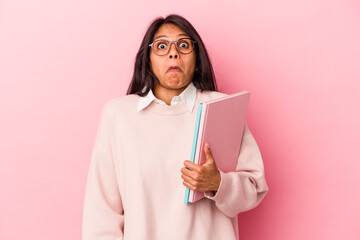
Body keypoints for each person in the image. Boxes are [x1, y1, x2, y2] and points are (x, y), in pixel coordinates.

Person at [82, 14, 269, 240]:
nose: (173, 53)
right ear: (147, 60)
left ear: (198, 60)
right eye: (161, 46)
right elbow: (101, 212)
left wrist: (219, 183)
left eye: (183, 45)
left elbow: (254, 187)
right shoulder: (118, 115)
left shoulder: (221, 107)